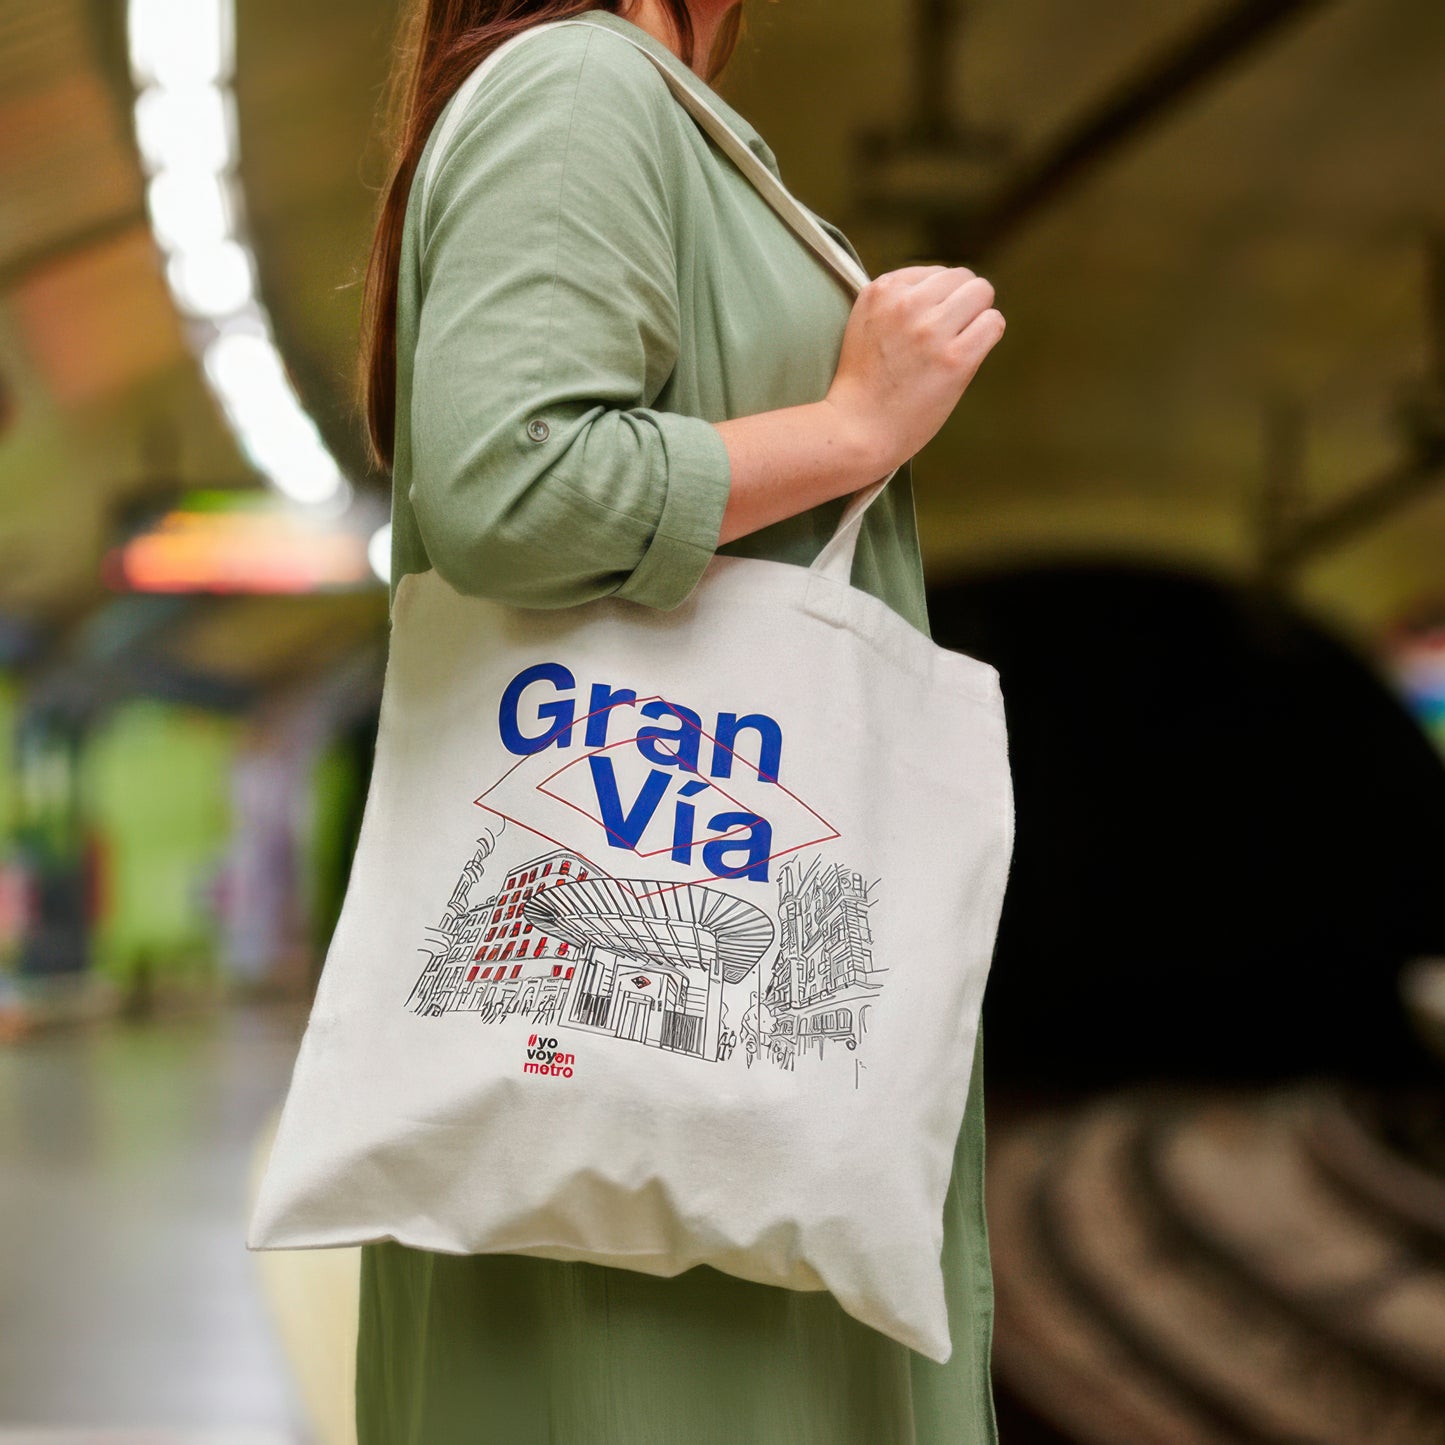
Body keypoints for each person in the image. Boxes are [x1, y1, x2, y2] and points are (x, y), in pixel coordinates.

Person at [355, 2, 1005, 1440]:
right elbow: (510, 484)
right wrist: (854, 428)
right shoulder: (581, 86)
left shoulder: (650, 108)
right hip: (650, 1114)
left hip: (664, 1081)